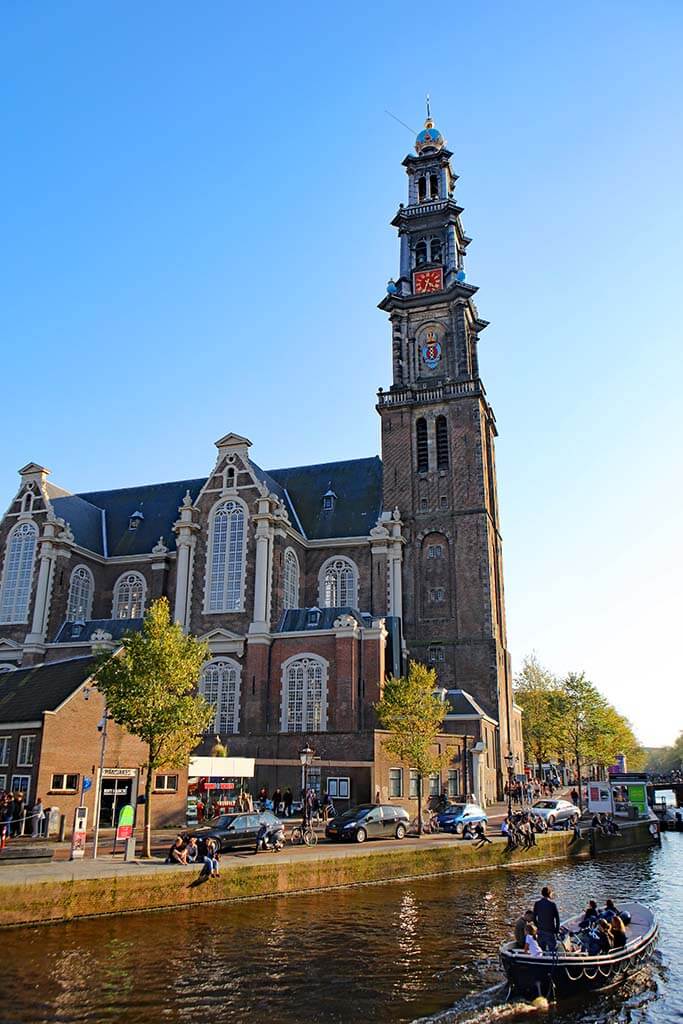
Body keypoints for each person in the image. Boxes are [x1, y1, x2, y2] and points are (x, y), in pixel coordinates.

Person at [533, 885, 560, 952]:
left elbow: (534, 917)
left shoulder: (537, 903)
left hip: (541, 930)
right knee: (553, 950)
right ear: (550, 894)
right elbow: (557, 919)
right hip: (550, 931)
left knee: (541, 951)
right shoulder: (552, 904)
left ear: (542, 894)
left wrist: (537, 926)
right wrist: (556, 930)